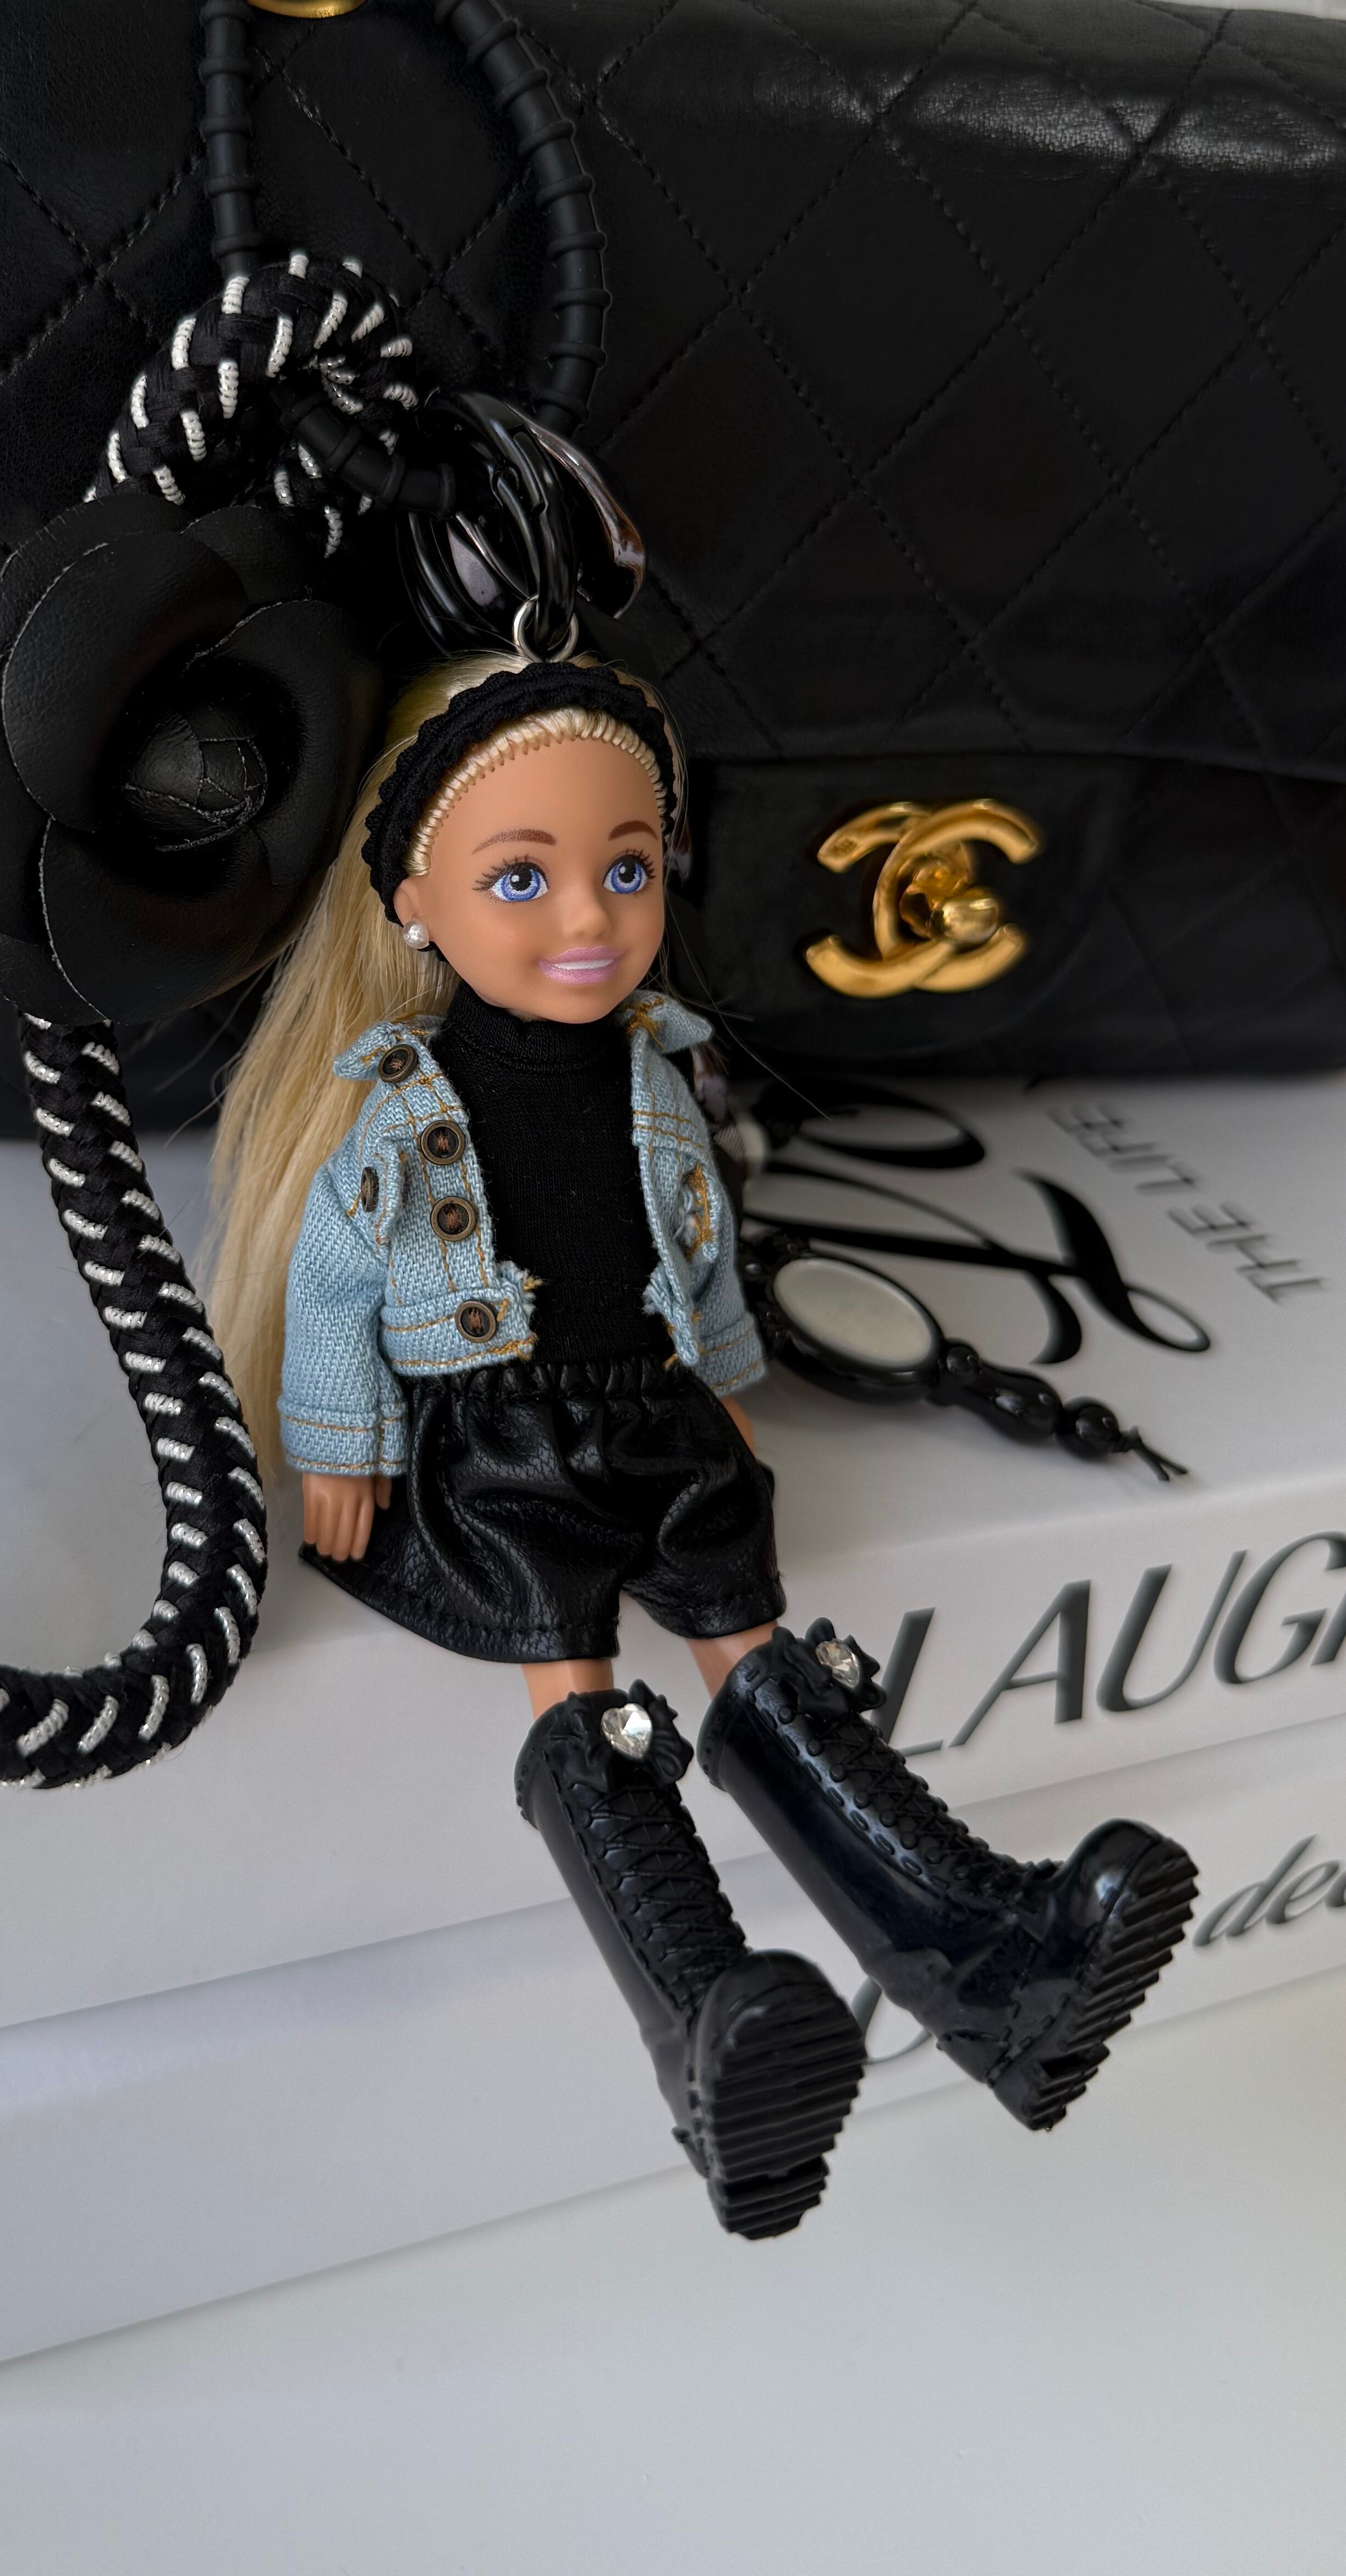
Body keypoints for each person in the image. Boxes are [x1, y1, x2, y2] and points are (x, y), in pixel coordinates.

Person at [210, 652, 1196, 2237]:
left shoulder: (657, 1076)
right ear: (411, 905)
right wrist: (341, 1443)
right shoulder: (402, 1104)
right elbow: (335, 1276)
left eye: (627, 868)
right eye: (520, 879)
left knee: (763, 1661)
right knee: (581, 1691)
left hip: (659, 1422)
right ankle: (703, 2026)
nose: (588, 918)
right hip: (500, 1448)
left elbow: (698, 1249)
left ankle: (993, 1959)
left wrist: (727, 1375)